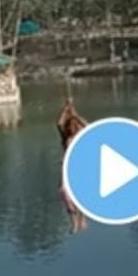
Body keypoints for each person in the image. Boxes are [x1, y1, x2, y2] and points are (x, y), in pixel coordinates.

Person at [57, 97, 88, 233]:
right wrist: (66, 109)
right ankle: (74, 221)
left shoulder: (83, 135)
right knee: (64, 192)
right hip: (67, 167)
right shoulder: (66, 138)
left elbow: (87, 125)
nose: (70, 127)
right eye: (69, 125)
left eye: (73, 125)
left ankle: (81, 220)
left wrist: (75, 115)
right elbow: (59, 124)